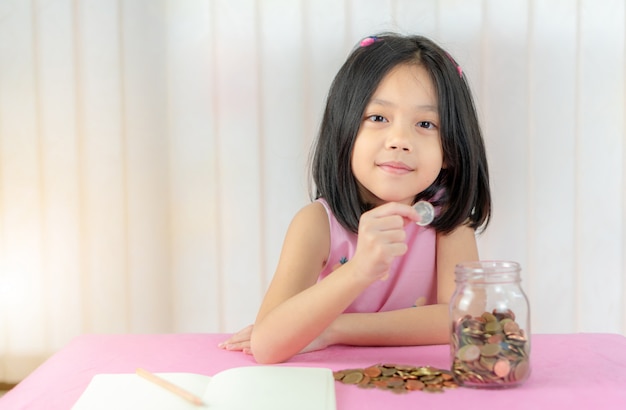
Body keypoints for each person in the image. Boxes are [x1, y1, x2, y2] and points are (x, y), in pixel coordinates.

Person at [219, 33, 491, 364]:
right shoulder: (317, 225)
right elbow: (266, 345)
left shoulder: (448, 221)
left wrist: (333, 328)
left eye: (425, 123)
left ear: (450, 149)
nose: (399, 140)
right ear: (345, 130)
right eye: (378, 118)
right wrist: (360, 269)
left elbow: (464, 321)